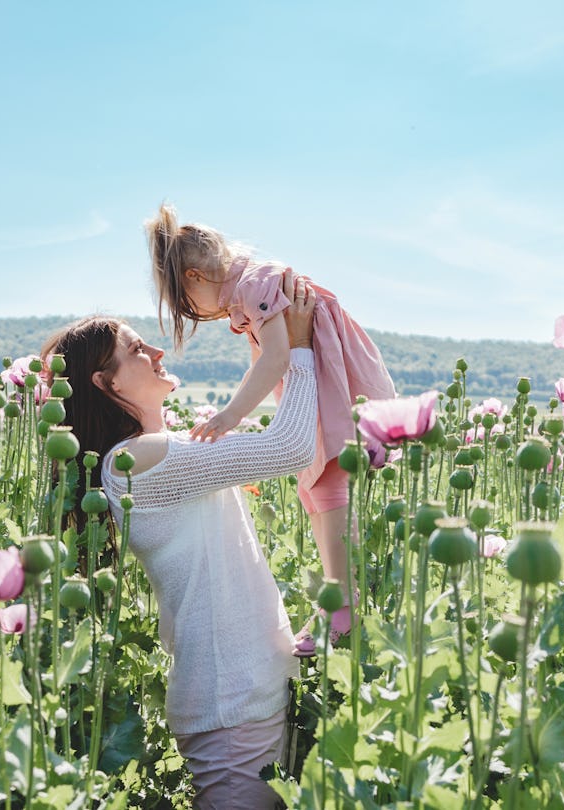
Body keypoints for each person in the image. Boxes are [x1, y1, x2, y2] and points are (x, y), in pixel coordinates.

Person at [41, 271, 317, 810]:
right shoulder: (135, 461)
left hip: (243, 691)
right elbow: (290, 449)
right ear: (106, 383)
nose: (157, 349)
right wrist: (299, 346)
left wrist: (268, 337)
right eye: (135, 348)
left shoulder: (159, 451)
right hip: (232, 699)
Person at [145, 204, 396, 655]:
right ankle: (335, 601)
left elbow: (277, 358)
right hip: (321, 383)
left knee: (330, 484)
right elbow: (264, 362)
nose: (208, 316)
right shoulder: (251, 288)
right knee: (316, 489)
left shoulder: (255, 285)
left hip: (333, 385)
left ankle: (343, 608)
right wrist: (243, 406)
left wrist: (231, 416)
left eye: (191, 308)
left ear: (195, 279)